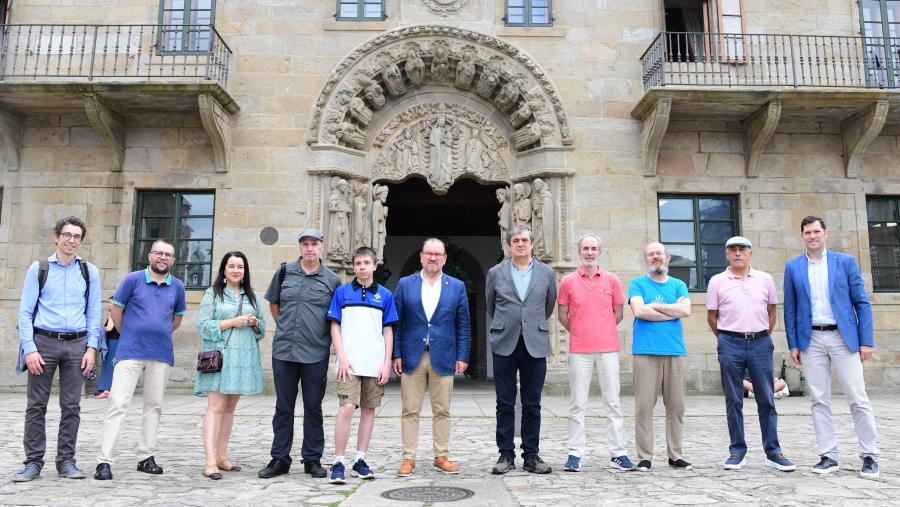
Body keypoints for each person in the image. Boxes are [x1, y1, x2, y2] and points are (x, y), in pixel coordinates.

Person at [783, 216, 879, 479]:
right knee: (818, 399)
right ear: (801, 236)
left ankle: (869, 455)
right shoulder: (793, 267)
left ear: (826, 233)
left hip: (842, 336)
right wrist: (793, 344)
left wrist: (865, 340)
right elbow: (789, 308)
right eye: (807, 232)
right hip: (810, 339)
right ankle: (828, 455)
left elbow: (862, 302)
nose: (812, 236)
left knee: (857, 397)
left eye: (816, 231)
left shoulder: (845, 262)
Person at [13, 216, 101, 482]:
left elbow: (94, 312)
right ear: (57, 237)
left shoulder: (89, 271)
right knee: (36, 406)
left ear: (81, 241)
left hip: (77, 345)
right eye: (67, 235)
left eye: (76, 236)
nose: (71, 240)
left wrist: (91, 348)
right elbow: (25, 313)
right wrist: (30, 349)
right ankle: (33, 462)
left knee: (71, 406)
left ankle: (66, 461)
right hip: (43, 344)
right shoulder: (38, 269)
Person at [94, 239, 187, 480]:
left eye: (168, 254)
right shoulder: (132, 280)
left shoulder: (177, 286)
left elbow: (176, 320)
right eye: (159, 252)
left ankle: (145, 456)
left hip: (161, 353)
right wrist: (131, 334)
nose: (163, 257)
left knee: (153, 406)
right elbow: (116, 310)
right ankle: (104, 461)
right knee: (118, 405)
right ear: (150, 255)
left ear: (173, 260)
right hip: (130, 352)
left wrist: (157, 332)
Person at [706, 236, 795, 472]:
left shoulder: (765, 279)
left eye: (742, 249)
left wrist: (761, 336)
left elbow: (771, 312)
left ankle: (773, 451)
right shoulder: (717, 281)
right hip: (730, 342)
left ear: (750, 253)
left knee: (766, 397)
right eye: (732, 250)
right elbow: (712, 317)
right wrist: (726, 339)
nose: (737, 253)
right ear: (726, 254)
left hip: (760, 343)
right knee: (733, 399)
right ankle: (737, 451)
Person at [258, 230, 340, 479]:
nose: (310, 248)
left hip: (315, 352)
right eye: (305, 244)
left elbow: (335, 316)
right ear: (300, 247)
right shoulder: (284, 272)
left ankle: (312, 459)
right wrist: (284, 326)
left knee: (313, 407)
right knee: (283, 407)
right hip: (284, 351)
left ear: (322, 247)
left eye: (314, 244)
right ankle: (279, 459)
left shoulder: (332, 280)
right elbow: (274, 303)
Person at [392, 238, 471, 477]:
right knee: (410, 410)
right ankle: (408, 458)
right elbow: (396, 322)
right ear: (421, 257)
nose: (433, 258)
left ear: (445, 258)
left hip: (444, 355)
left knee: (442, 409)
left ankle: (441, 456)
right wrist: (395, 353)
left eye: (438, 254)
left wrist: (463, 355)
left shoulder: (456, 286)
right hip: (412, 356)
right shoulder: (405, 284)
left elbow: (463, 324)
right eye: (429, 253)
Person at [558, 234, 636, 473]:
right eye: (585, 248)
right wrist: (581, 331)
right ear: (579, 252)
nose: (589, 252)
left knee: (613, 403)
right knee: (577, 403)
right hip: (580, 351)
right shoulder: (568, 282)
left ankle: (618, 452)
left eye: (593, 248)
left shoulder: (611, 280)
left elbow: (618, 312)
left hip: (608, 350)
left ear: (599, 252)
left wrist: (601, 331)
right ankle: (575, 453)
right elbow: (563, 315)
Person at [486, 225, 557, 475]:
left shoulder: (547, 273)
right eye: (515, 240)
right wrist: (511, 323)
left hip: (534, 344)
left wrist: (528, 324)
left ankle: (531, 455)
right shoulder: (496, 272)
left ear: (532, 243)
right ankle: (505, 455)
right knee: (504, 402)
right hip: (505, 342)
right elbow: (491, 306)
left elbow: (548, 305)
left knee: (532, 403)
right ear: (509, 244)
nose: (520, 244)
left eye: (524, 240)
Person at [326, 246, 398, 484]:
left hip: (374, 362)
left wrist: (386, 362)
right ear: (354, 266)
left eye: (367, 263)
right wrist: (341, 356)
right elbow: (334, 325)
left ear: (375, 265)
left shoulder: (385, 296)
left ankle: (360, 459)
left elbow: (387, 331)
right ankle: (338, 461)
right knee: (346, 408)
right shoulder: (342, 292)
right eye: (358, 263)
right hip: (349, 364)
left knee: (368, 410)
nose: (362, 267)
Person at [195, 251, 267, 480]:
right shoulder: (213, 294)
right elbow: (203, 326)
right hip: (220, 358)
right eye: (232, 266)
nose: (236, 270)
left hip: (242, 361)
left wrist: (255, 324)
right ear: (224, 270)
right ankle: (208, 461)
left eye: (240, 267)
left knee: (229, 409)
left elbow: (263, 330)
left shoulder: (252, 296)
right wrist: (232, 322)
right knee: (215, 407)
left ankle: (222, 456)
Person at [627, 242, 692, 472]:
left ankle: (675, 455)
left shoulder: (678, 284)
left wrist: (654, 307)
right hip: (645, 351)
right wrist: (671, 311)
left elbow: (686, 310)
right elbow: (639, 311)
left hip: (675, 351)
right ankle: (645, 456)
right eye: (651, 254)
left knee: (676, 407)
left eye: (659, 253)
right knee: (644, 406)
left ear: (667, 257)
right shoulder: (637, 284)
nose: (655, 257)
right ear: (646, 259)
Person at [95, 298, 120, 399]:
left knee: (109, 366)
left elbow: (109, 328)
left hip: (113, 342)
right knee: (109, 365)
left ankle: (106, 390)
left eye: (110, 303)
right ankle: (107, 389)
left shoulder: (113, 315)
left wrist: (99, 329)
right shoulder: (118, 314)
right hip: (115, 342)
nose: (108, 305)